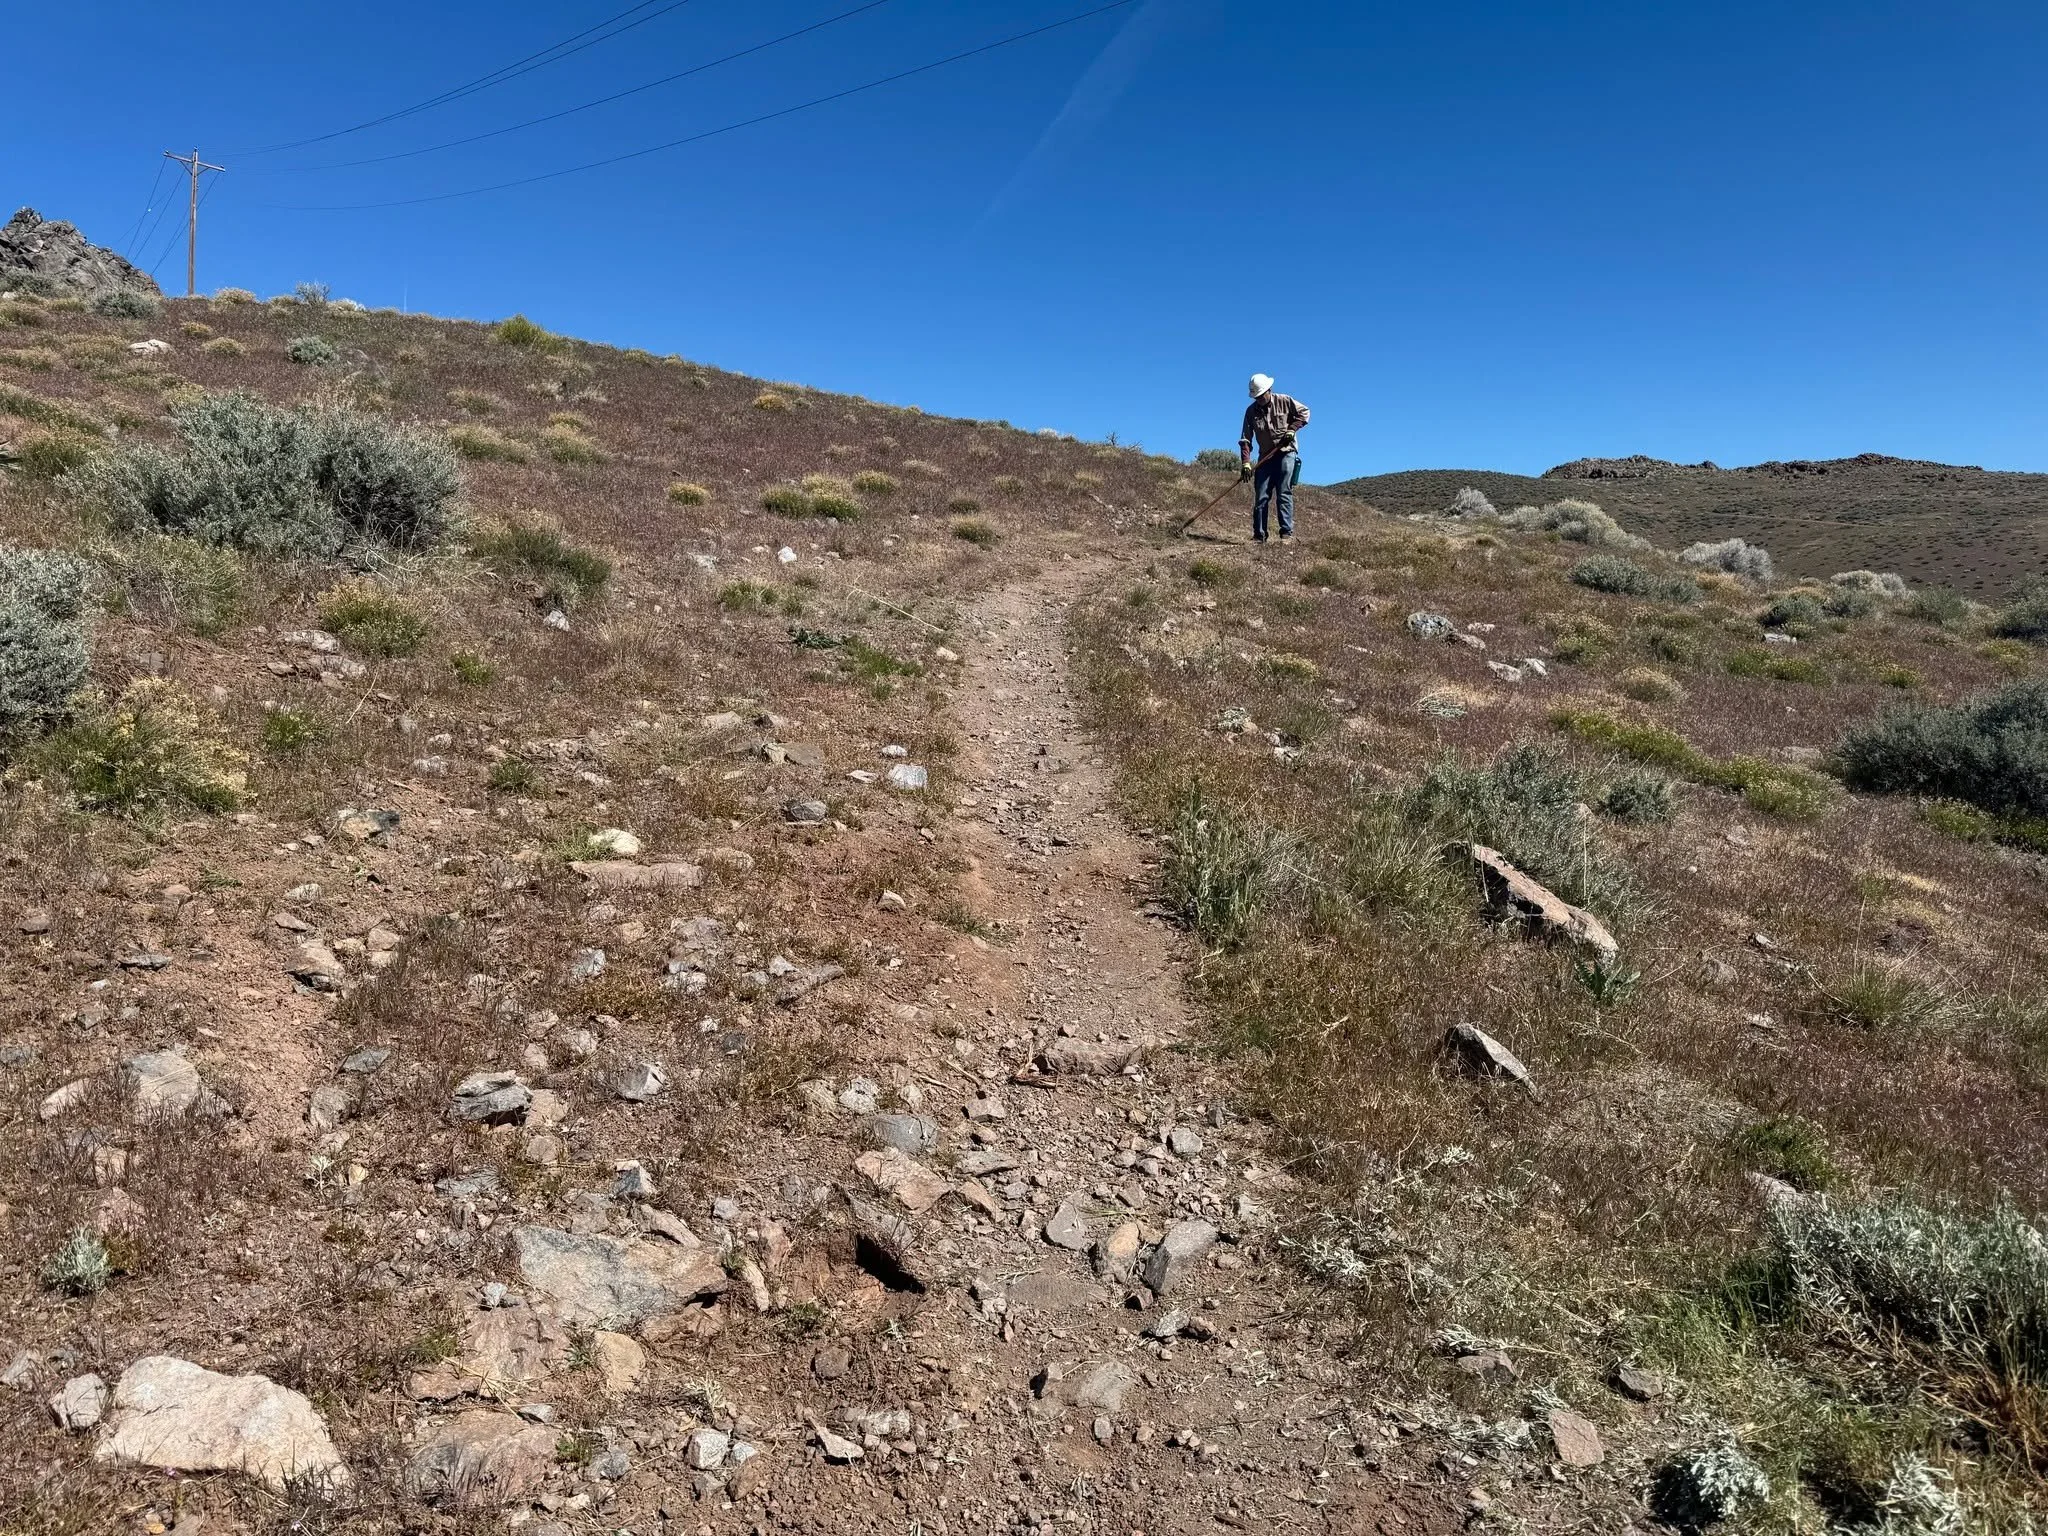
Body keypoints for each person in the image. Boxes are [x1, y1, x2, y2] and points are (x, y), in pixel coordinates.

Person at [1238, 373, 1309, 544]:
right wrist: (1246, 463)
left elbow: (1304, 413)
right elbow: (1245, 439)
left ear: (1269, 390)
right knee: (1261, 495)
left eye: (1261, 395)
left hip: (1286, 452)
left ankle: (1286, 533)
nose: (1259, 399)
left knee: (1284, 491)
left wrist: (1292, 429)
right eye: (1256, 397)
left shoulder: (1284, 400)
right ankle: (1259, 536)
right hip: (1265, 457)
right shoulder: (1250, 412)